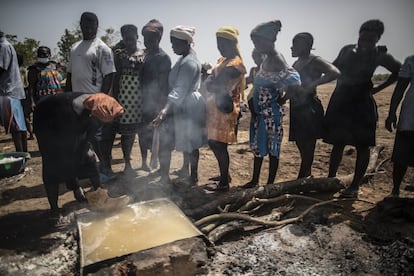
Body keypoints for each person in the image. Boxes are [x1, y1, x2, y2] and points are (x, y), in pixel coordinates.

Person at [323, 19, 401, 198]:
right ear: (358, 35)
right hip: (341, 100)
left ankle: (355, 186)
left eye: (370, 40)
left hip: (362, 103)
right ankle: (330, 179)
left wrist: (377, 89)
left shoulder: (380, 55)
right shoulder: (347, 50)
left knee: (363, 145)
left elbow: (399, 71)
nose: (365, 44)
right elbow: (333, 68)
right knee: (338, 142)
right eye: (362, 39)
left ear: (377, 39)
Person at [33, 92, 129, 218]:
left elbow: (86, 141)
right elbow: (70, 150)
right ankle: (55, 211)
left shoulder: (98, 104)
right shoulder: (71, 116)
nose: (110, 123)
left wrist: (86, 150)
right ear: (95, 117)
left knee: (89, 157)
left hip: (69, 120)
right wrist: (75, 185)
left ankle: (101, 198)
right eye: (108, 121)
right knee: (53, 163)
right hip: (47, 119)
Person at [242, 20, 301, 189]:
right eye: (254, 42)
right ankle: (255, 181)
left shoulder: (277, 59)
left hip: (270, 114)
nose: (255, 45)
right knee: (259, 148)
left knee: (273, 149)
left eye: (257, 42)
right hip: (260, 113)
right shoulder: (266, 58)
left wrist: (282, 100)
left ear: (269, 40)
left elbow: (295, 82)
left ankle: (270, 184)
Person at [65, 12, 116, 180]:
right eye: (84, 24)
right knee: (82, 138)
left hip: (95, 100)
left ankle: (106, 168)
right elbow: (70, 75)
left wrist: (101, 99)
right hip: (77, 101)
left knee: (98, 138)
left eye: (91, 24)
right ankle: (88, 169)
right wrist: (68, 98)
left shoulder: (102, 48)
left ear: (97, 25)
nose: (87, 28)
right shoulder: (74, 48)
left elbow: (109, 76)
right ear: (80, 25)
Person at [152, 25, 205, 186]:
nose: (173, 46)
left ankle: (192, 176)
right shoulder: (184, 58)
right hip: (184, 103)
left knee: (190, 140)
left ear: (186, 43)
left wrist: (164, 110)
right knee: (188, 140)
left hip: (187, 105)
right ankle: (188, 172)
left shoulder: (189, 63)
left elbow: (179, 88)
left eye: (175, 43)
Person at [290, 32, 340, 179]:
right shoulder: (297, 63)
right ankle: (307, 174)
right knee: (300, 142)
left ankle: (301, 179)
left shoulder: (315, 61)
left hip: (309, 107)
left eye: (295, 44)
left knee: (308, 145)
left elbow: (334, 72)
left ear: (306, 46)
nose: (291, 47)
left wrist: (312, 85)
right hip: (297, 106)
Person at [204, 26, 246, 191]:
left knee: (219, 144)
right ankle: (224, 175)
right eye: (218, 43)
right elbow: (211, 83)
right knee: (214, 143)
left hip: (225, 110)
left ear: (232, 44)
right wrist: (211, 82)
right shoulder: (223, 61)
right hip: (216, 108)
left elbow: (214, 84)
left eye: (223, 43)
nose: (220, 47)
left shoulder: (236, 64)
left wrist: (211, 81)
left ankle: (223, 184)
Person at [141, 19, 172, 181]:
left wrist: (160, 109)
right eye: (145, 39)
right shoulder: (145, 56)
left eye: (151, 39)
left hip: (158, 105)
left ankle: (165, 174)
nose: (147, 42)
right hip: (145, 104)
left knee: (162, 141)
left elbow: (163, 86)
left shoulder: (163, 58)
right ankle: (160, 170)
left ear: (159, 39)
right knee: (149, 139)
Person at [112, 24, 145, 173]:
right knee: (127, 135)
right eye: (126, 39)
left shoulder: (145, 54)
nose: (129, 42)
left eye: (132, 39)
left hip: (141, 98)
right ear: (123, 39)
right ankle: (128, 164)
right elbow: (116, 76)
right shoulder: (119, 55)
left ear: (137, 37)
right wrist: (116, 98)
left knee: (143, 132)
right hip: (125, 98)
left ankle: (145, 162)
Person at [385, 55, 414, 197]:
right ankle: (395, 190)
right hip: (411, 115)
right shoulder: (411, 60)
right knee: (402, 155)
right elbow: (399, 88)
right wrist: (391, 113)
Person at [0, 30, 28, 153]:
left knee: (16, 127)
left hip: (8, 91)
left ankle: (21, 155)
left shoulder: (3, 47)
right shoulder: (7, 46)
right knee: (19, 126)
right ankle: (23, 154)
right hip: (13, 92)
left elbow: (1, 68)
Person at [17, 53, 34, 140]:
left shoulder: (18, 70)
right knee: (28, 114)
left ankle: (29, 133)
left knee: (24, 115)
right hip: (28, 92)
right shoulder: (26, 69)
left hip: (22, 93)